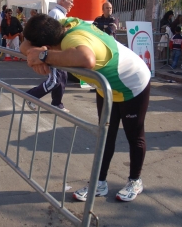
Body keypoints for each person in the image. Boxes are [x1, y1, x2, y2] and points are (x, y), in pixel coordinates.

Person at [22, 14, 151, 202]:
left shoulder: (72, 41)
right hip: (106, 87)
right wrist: (34, 54)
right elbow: (25, 44)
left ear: (48, 45)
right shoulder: (62, 26)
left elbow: (87, 59)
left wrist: (42, 56)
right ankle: (99, 182)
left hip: (131, 82)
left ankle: (135, 180)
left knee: (135, 136)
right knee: (105, 134)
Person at [20, 0, 74, 112]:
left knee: (62, 77)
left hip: (58, 52)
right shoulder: (55, 13)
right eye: (70, 1)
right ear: (62, 1)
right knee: (54, 80)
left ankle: (57, 103)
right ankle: (31, 96)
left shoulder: (60, 13)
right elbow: (49, 33)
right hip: (52, 52)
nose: (72, 4)